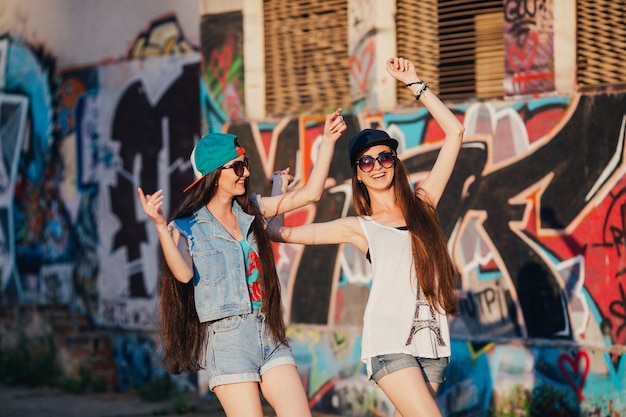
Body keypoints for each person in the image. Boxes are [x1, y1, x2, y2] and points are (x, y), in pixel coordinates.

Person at [268, 57, 464, 417]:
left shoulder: (425, 204)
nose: (377, 166)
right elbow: (277, 232)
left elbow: (455, 133)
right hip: (390, 342)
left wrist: (414, 83)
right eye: (366, 162)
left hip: (433, 341)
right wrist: (280, 187)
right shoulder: (360, 226)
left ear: (395, 162)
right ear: (357, 174)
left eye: (385, 157)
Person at [137, 108, 346, 417]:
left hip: (268, 331)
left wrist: (327, 140)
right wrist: (158, 225)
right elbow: (182, 274)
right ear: (213, 174)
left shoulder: (252, 209)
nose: (245, 173)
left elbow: (312, 194)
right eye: (236, 167)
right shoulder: (186, 226)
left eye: (245, 164)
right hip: (228, 341)